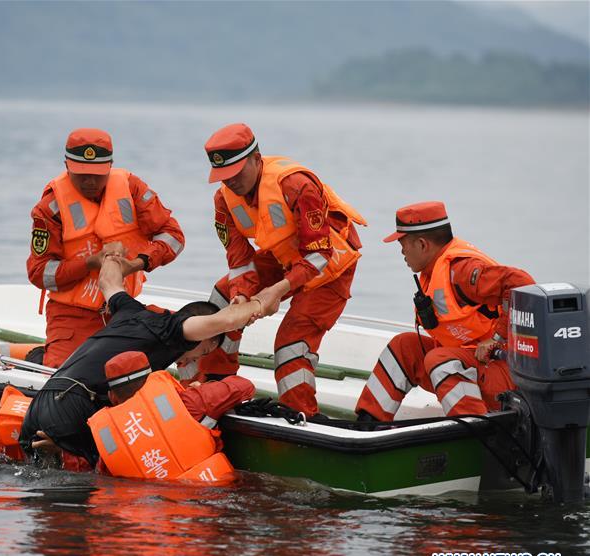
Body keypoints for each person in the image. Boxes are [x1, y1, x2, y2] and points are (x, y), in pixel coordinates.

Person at [184, 122, 366, 419]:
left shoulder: (296, 185)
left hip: (329, 266)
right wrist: (241, 296)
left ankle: (301, 414)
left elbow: (319, 254)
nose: (230, 183)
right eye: (223, 177)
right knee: (219, 301)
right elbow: (239, 259)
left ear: (257, 159)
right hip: (282, 257)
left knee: (291, 344)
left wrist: (276, 290)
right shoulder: (223, 200)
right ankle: (213, 385)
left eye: (236, 174)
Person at [19, 253, 262, 470]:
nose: (187, 361)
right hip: (70, 410)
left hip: (41, 403)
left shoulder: (129, 309)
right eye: (198, 355)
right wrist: (262, 303)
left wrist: (114, 258)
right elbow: (228, 321)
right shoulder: (176, 331)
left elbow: (108, 281)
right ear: (202, 337)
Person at [354, 201, 535, 421]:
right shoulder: (433, 270)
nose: (401, 251)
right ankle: (368, 424)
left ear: (422, 244)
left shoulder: (461, 269)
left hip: (504, 373)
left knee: (439, 358)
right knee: (404, 346)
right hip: (470, 366)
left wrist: (497, 338)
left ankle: (475, 431)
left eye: (402, 243)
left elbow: (521, 283)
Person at [26, 128, 186, 368]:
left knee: (189, 335)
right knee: (63, 381)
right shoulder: (50, 208)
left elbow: (173, 236)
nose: (90, 181)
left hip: (124, 310)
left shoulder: (132, 188)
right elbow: (40, 273)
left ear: (110, 165)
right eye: (82, 174)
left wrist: (137, 263)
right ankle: (41, 356)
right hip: (71, 315)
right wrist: (91, 263)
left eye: (98, 174)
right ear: (66, 165)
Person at [89, 350, 254, 482]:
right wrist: (203, 387)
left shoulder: (107, 438)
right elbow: (244, 386)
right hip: (206, 500)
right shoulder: (190, 401)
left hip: (147, 515)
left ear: (112, 396)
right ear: (151, 380)